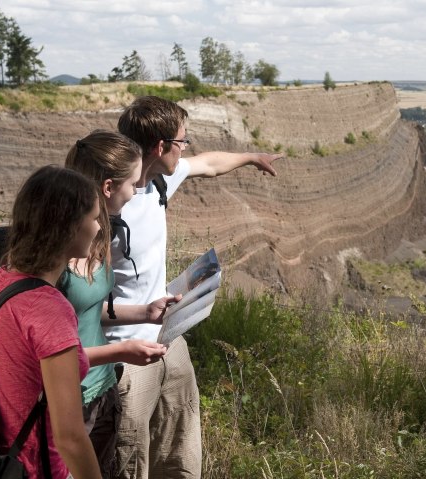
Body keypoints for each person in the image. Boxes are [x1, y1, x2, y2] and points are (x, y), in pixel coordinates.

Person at [105, 96, 283, 479]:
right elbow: (78, 298)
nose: (186, 149)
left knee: (179, 452)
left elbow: (210, 164)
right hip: (126, 353)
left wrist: (252, 156)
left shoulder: (160, 180)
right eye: (182, 141)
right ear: (160, 146)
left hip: (170, 338)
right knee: (129, 458)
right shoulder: (107, 206)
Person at [61, 130, 180, 477]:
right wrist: (120, 351)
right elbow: (50, 353)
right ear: (109, 187)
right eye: (132, 182)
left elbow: (84, 310)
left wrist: (145, 312)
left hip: (101, 391)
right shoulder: (63, 246)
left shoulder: (99, 234)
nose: (138, 188)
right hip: (71, 398)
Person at [0, 165, 102, 479]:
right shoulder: (48, 309)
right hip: (35, 468)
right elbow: (71, 438)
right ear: (70, 226)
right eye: (93, 218)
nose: (99, 228)